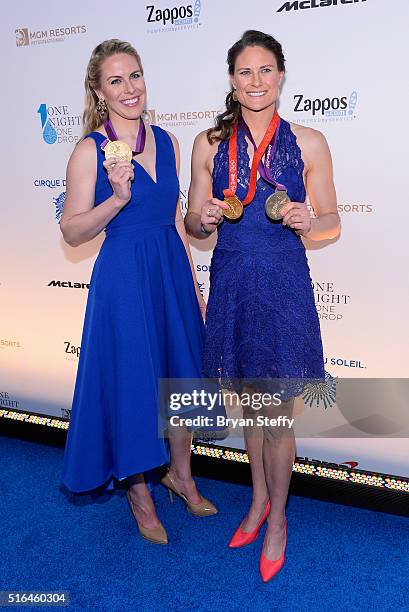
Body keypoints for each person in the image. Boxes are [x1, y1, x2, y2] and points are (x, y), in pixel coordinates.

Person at [185, 30, 340, 580]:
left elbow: (332, 221)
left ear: (281, 75)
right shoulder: (209, 143)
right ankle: (256, 503)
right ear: (232, 79)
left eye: (266, 70)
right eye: (246, 71)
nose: (256, 81)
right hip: (232, 280)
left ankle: (278, 520)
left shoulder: (309, 141)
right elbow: (191, 220)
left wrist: (308, 219)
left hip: (281, 283)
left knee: (275, 413)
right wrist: (200, 219)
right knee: (251, 407)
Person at [60, 39, 217, 546]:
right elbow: (73, 231)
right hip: (125, 276)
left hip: (169, 266)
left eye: (135, 76)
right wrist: (119, 199)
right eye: (116, 80)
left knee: (179, 375)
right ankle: (139, 491)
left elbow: (175, 220)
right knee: (134, 382)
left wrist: (193, 286)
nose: (130, 89)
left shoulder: (168, 140)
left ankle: (181, 474)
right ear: (99, 92)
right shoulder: (91, 149)